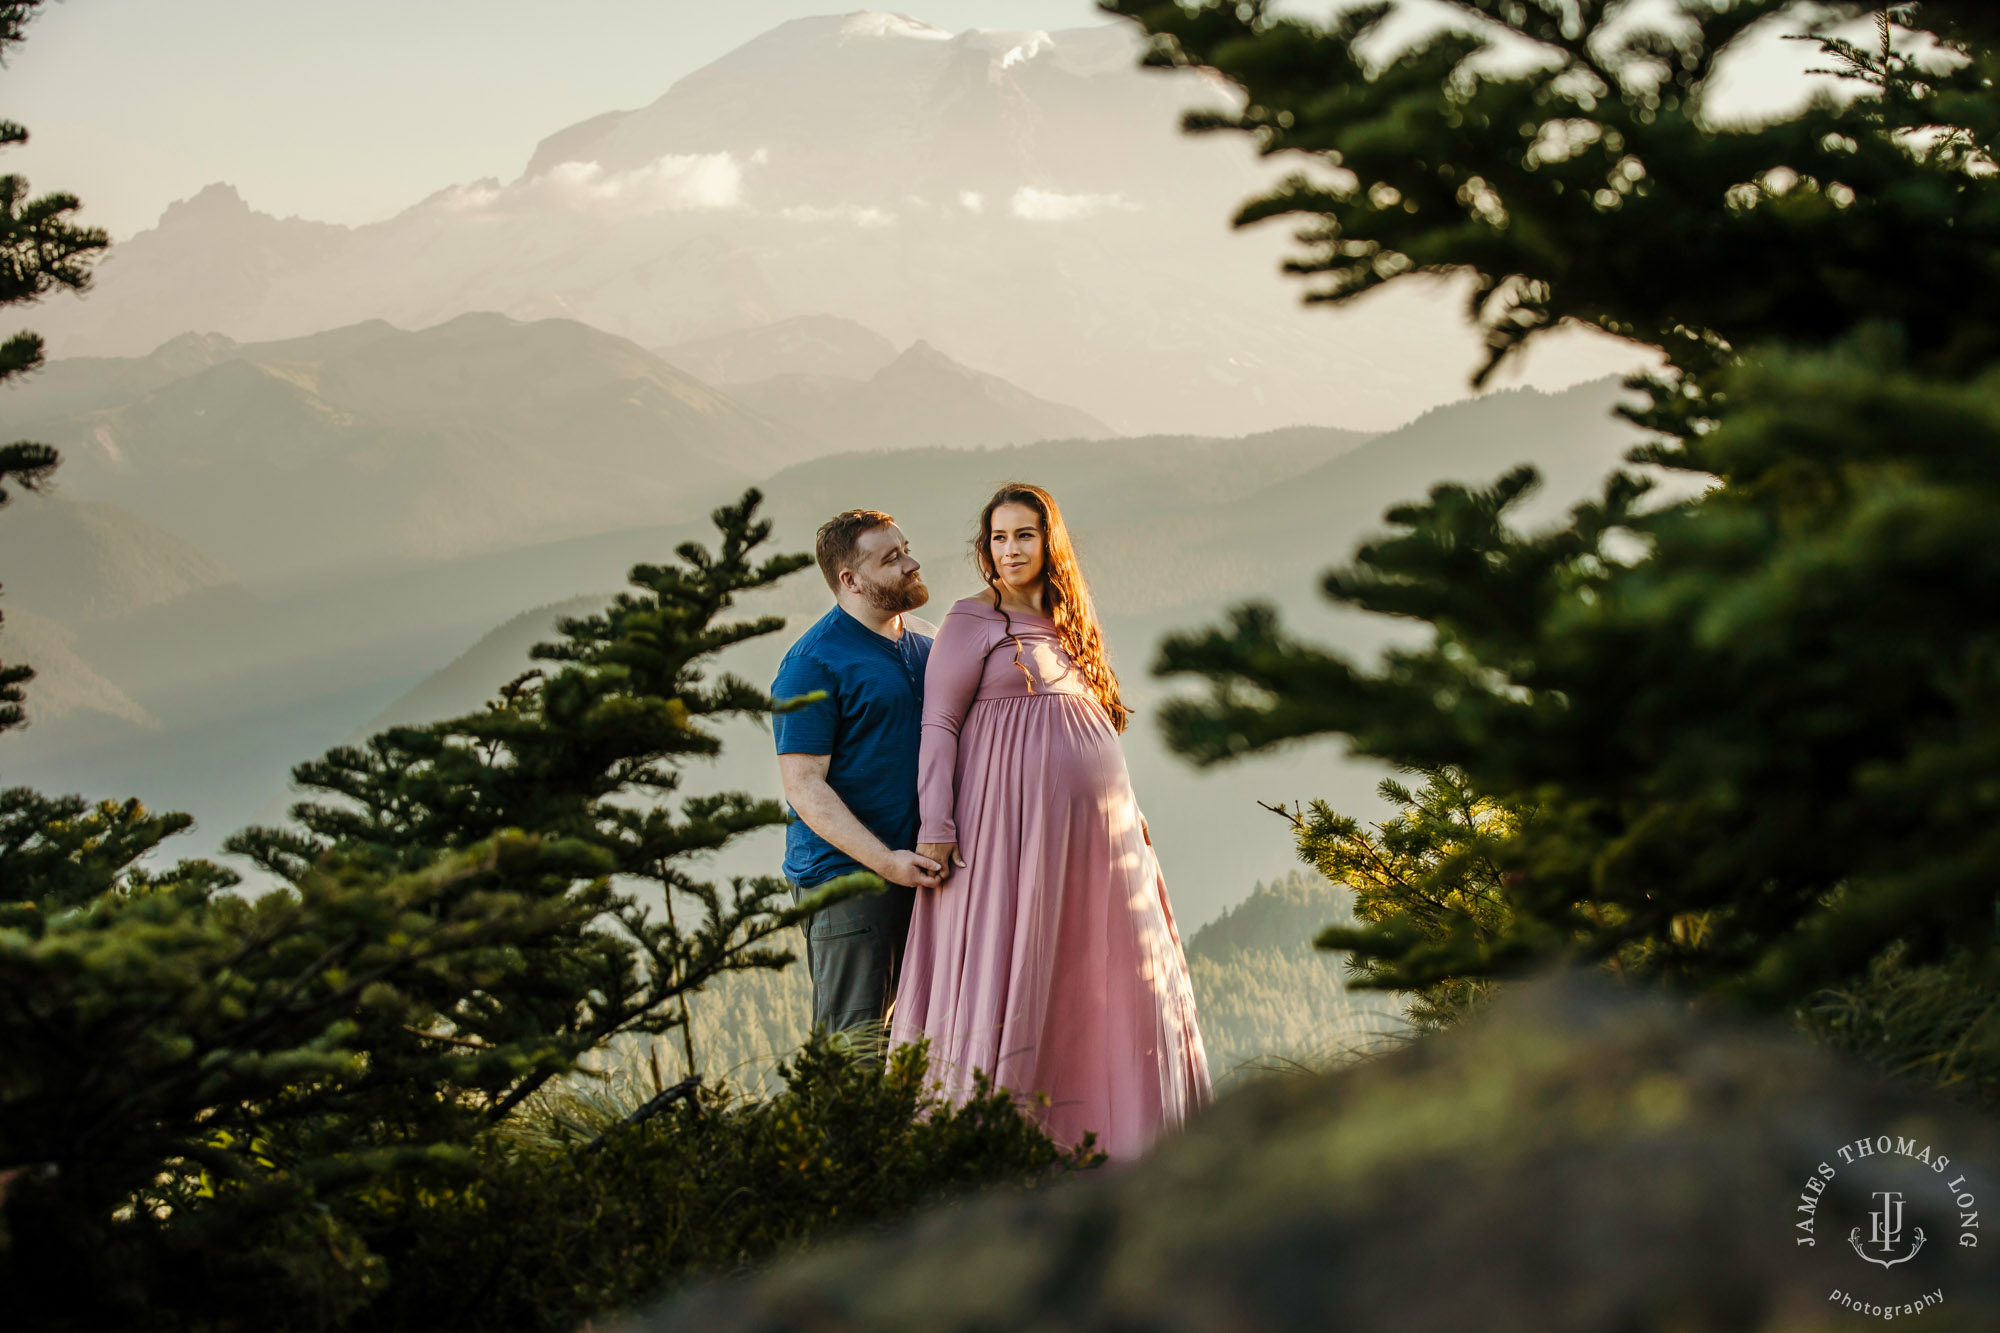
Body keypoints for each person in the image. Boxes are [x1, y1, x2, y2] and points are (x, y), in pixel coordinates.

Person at [890, 482, 1211, 1161]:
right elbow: (939, 724)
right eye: (1000, 538)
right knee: (1019, 961)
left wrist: (1134, 816)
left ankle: (1121, 1134)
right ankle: (1002, 1140)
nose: (1011, 550)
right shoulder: (969, 620)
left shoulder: (1071, 620)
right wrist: (937, 826)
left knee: (1096, 971)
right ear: (986, 548)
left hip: (1101, 839)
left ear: (1048, 541)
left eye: (1024, 535)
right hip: (1008, 832)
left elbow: (1095, 728)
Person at [772, 508, 941, 1039]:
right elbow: (803, 786)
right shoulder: (811, 663)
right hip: (850, 880)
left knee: (923, 1043)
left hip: (923, 869)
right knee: (856, 1049)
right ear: (850, 580)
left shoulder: (926, 642)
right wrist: (886, 862)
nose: (911, 563)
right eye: (891, 559)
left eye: (906, 548)